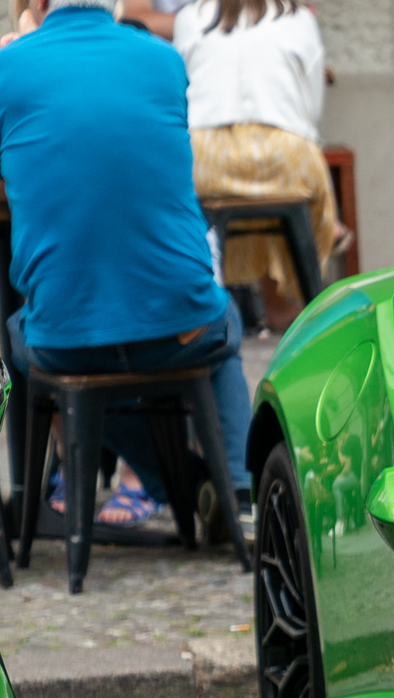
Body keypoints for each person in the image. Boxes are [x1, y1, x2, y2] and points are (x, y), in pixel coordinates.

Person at [0, 0, 251, 533]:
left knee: (34, 342)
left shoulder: (10, 67)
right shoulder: (163, 60)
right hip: (182, 327)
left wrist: (22, 40)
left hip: (63, 341)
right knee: (218, 316)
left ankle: (163, 483)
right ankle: (238, 491)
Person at [173, 0, 343, 320]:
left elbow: (180, 93)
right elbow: (312, 110)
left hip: (208, 156)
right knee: (311, 198)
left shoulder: (189, 18)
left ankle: (211, 304)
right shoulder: (300, 18)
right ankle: (294, 301)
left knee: (192, 203)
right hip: (286, 153)